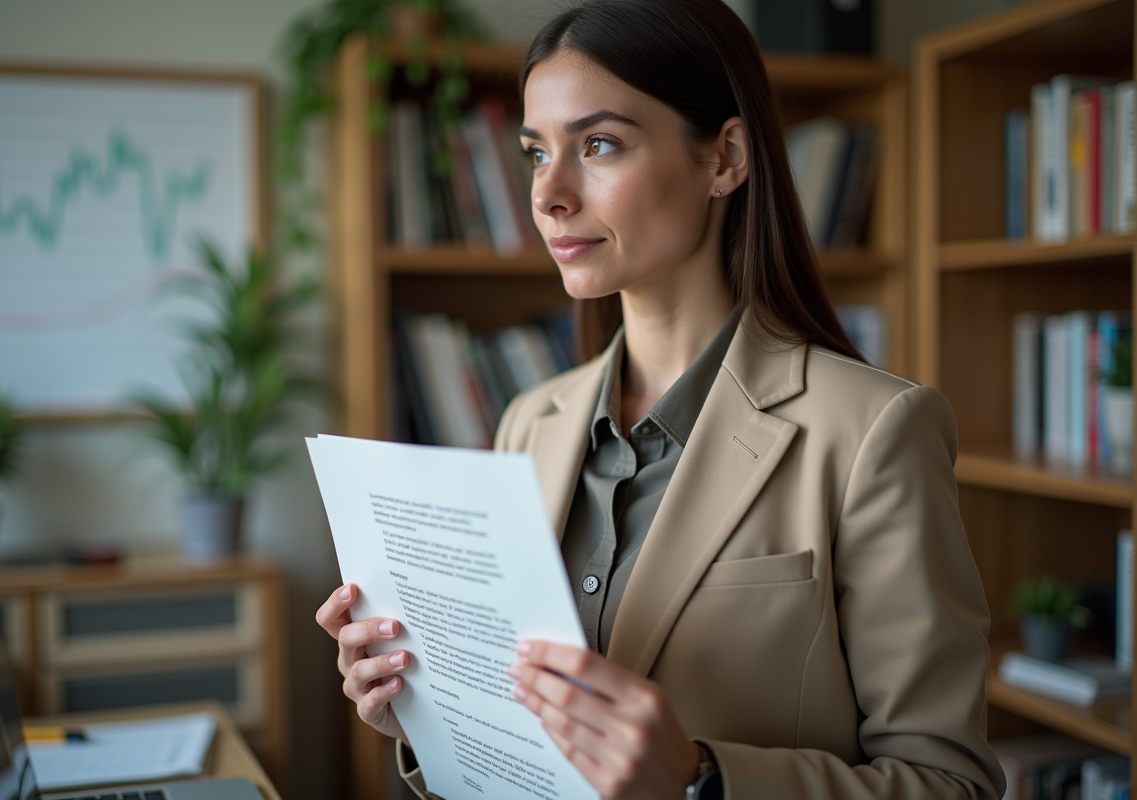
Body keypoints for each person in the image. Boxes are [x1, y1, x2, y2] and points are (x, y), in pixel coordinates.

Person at [316, 0, 1006, 797]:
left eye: (599, 144)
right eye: (537, 153)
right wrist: (428, 710)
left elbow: (951, 782)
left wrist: (700, 780)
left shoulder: (876, 431)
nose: (549, 195)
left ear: (725, 159)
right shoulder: (528, 423)